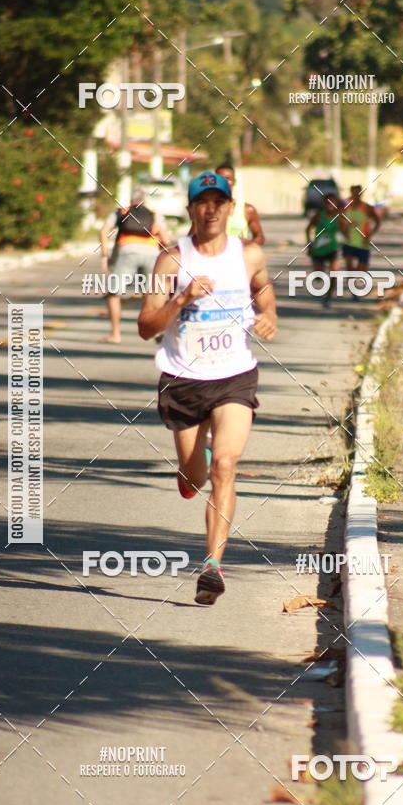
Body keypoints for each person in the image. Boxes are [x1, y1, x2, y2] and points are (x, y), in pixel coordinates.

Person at [138, 170, 277, 605]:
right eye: (203, 202)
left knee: (226, 466)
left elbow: (263, 292)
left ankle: (212, 566)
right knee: (194, 477)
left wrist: (269, 315)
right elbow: (145, 326)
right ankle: (191, 467)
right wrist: (182, 300)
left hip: (234, 375)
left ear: (230, 208)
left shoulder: (248, 255)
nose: (211, 208)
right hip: (183, 380)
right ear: (191, 210)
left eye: (219, 201)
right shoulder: (171, 261)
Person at [99, 187, 170, 343]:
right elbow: (166, 240)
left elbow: (104, 231)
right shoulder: (154, 214)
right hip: (151, 254)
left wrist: (105, 255)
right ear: (144, 200)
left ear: (131, 200)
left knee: (113, 293)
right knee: (152, 294)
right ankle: (156, 332)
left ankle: (115, 334)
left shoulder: (121, 212)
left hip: (127, 251)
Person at [305, 193, 341, 308]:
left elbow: (345, 229)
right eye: (328, 203)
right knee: (319, 275)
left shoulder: (338, 216)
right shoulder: (319, 216)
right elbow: (308, 229)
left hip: (332, 248)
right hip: (319, 248)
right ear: (324, 204)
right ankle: (319, 273)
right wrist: (309, 244)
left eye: (333, 202)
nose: (330, 205)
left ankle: (328, 297)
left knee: (334, 273)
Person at [214, 163, 265, 245]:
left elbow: (259, 236)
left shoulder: (247, 209)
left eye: (228, 179)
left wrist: (247, 244)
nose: (224, 182)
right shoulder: (206, 209)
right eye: (220, 179)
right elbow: (192, 237)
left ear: (234, 182)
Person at [341, 185, 380, 273]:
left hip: (363, 242)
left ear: (361, 194)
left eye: (358, 193)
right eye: (353, 193)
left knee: (361, 271)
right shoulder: (345, 207)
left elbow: (377, 221)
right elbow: (340, 222)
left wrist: (370, 233)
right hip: (348, 242)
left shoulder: (367, 208)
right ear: (351, 193)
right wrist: (344, 232)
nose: (355, 195)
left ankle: (356, 277)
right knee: (349, 268)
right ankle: (351, 284)